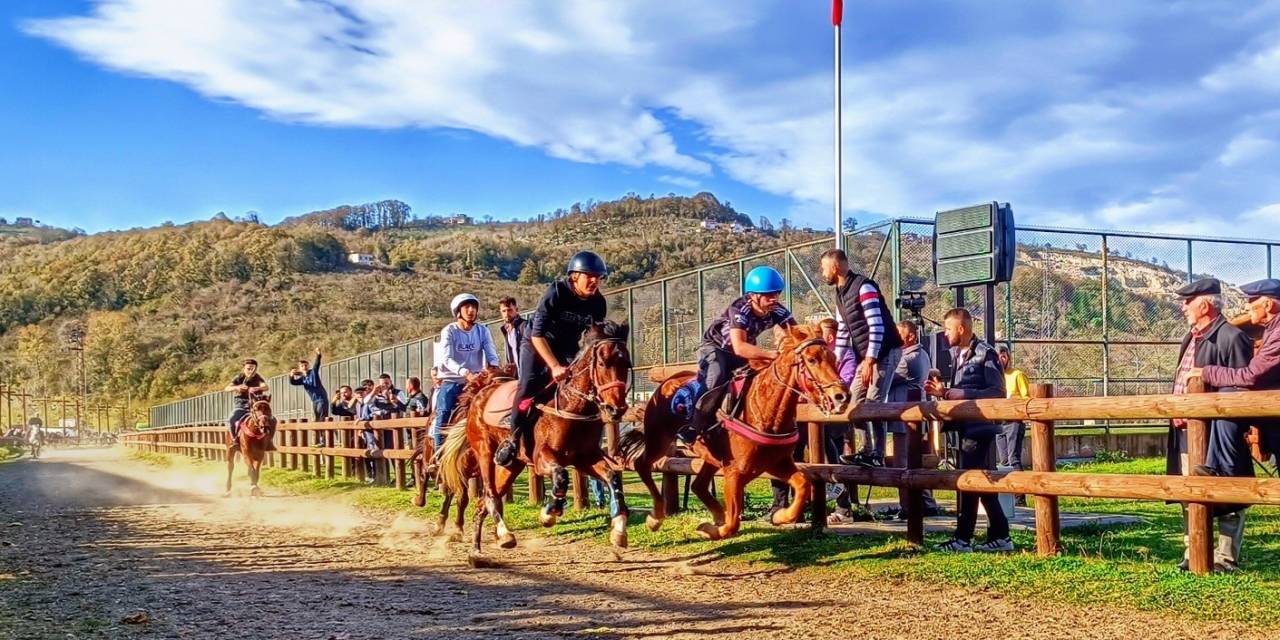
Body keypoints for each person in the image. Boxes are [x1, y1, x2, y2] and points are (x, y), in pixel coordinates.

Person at [1167, 278, 1254, 572]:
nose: (1183, 307)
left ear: (1204, 304)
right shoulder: (1189, 337)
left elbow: (1244, 387)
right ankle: (1194, 554)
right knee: (1188, 493)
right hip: (1184, 431)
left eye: (1187, 302)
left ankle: (1226, 559)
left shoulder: (1231, 337)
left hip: (1219, 432)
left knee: (1228, 491)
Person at [495, 251, 609, 467]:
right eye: (589, 276)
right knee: (528, 385)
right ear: (575, 276)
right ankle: (513, 439)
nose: (595, 281)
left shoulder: (598, 303)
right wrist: (555, 366)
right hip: (536, 344)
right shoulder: (556, 292)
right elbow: (537, 335)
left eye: (598, 277)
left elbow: (593, 340)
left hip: (567, 348)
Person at [925, 308, 1012, 553]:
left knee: (970, 483)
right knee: (980, 483)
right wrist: (942, 393)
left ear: (961, 329)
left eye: (948, 329)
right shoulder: (957, 354)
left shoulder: (986, 353)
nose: (944, 334)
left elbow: (997, 393)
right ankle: (1001, 535)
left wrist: (956, 394)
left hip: (980, 428)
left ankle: (962, 539)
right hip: (963, 427)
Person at [820, 249, 903, 469]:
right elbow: (845, 332)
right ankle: (866, 449)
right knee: (855, 402)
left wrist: (869, 360)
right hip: (866, 355)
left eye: (824, 268)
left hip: (885, 352)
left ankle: (877, 453)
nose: (822, 273)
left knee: (874, 401)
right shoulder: (840, 294)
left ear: (835, 267)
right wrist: (835, 362)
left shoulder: (864, 287)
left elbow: (876, 326)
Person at [887, 320, 940, 519]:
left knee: (903, 462)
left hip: (906, 418)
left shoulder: (907, 359)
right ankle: (926, 502)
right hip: (915, 416)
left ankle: (909, 506)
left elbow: (887, 379)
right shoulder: (923, 354)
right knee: (916, 460)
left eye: (898, 334)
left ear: (910, 336)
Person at [435, 294, 500, 449]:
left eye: (474, 307)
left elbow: (491, 352)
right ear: (458, 311)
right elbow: (446, 358)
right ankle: (438, 453)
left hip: (477, 380)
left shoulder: (482, 330)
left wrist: (494, 367)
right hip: (453, 380)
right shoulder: (449, 331)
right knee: (443, 412)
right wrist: (465, 373)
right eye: (467, 307)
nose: (471, 311)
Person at [995, 346, 1030, 471]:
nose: (1001, 360)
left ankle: (1020, 489)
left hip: (1014, 422)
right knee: (1004, 461)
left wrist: (1013, 401)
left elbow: (1027, 398)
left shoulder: (1017, 375)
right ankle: (1008, 490)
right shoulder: (994, 377)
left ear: (1008, 358)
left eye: (1004, 356)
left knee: (1013, 459)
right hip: (999, 423)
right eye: (998, 357)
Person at [290, 348, 329, 443]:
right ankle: (320, 439)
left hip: (321, 399)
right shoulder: (302, 378)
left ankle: (324, 440)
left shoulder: (313, 372)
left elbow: (317, 364)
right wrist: (291, 375)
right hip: (314, 401)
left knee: (322, 418)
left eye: (306, 365)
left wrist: (318, 355)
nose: (304, 367)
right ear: (300, 368)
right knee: (317, 419)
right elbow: (293, 382)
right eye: (302, 366)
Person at [223, 359, 269, 438]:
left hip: (257, 406)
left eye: (253, 369)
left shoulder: (257, 377)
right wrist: (237, 387)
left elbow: (265, 387)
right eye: (248, 369)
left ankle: (269, 441)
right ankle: (234, 440)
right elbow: (227, 388)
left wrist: (256, 388)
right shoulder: (239, 377)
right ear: (244, 368)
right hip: (241, 405)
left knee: (272, 420)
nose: (251, 371)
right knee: (231, 419)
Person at [499, 297, 527, 370]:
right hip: (517, 376)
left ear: (516, 310)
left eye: (509, 310)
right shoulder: (506, 330)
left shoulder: (525, 326)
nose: (507, 313)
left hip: (528, 374)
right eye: (504, 311)